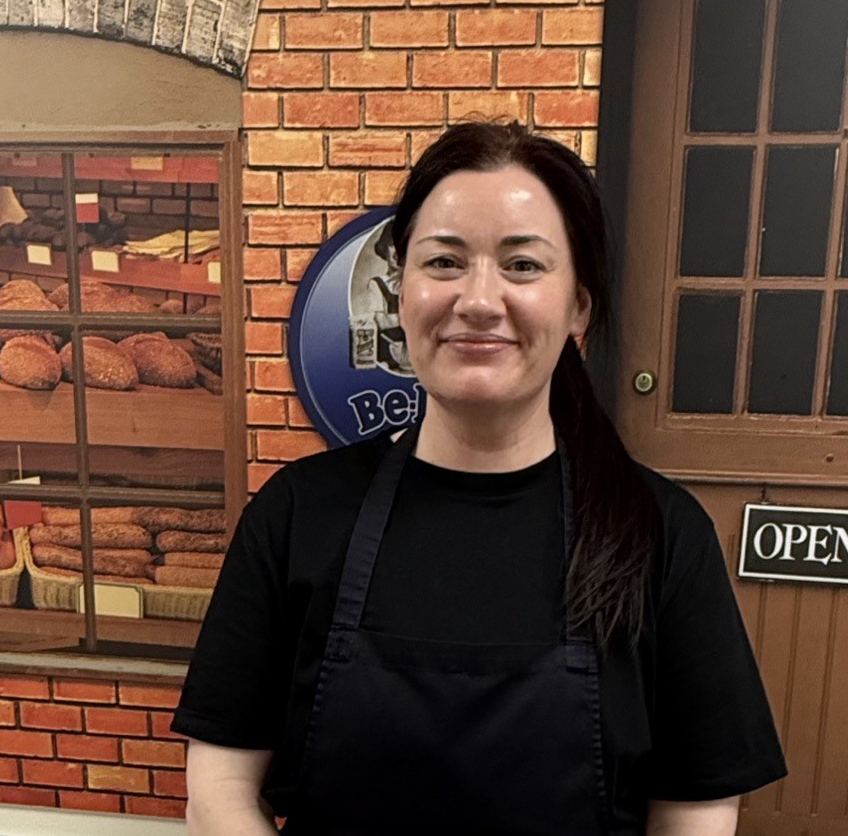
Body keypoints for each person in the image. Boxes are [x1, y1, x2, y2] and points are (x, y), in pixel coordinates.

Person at [173, 121, 786, 835]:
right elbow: (217, 788)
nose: (479, 300)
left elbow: (695, 812)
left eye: (522, 265)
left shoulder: (661, 533)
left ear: (579, 305)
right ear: (400, 292)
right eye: (444, 262)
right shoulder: (296, 514)